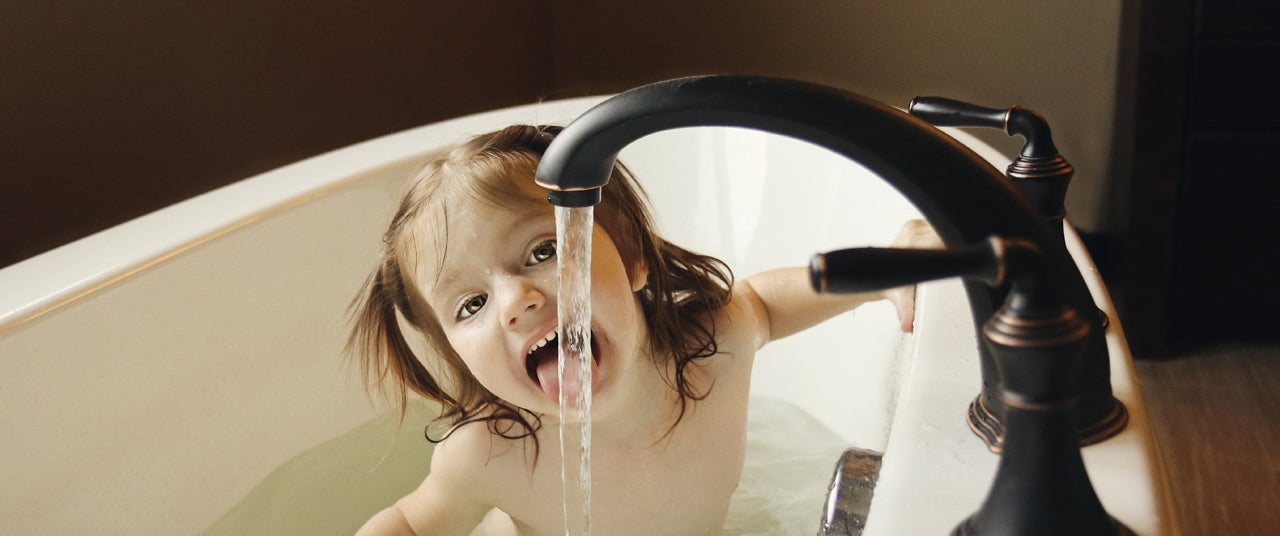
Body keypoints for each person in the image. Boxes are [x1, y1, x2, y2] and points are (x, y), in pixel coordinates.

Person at [347, 124, 936, 536]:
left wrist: (884, 269)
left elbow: (766, 302)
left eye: (543, 249)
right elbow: (410, 525)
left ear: (629, 251)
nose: (515, 302)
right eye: (471, 303)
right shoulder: (492, 452)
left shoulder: (713, 349)